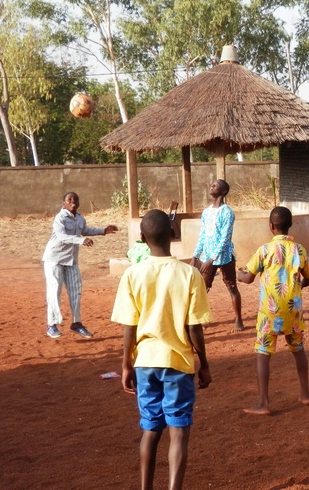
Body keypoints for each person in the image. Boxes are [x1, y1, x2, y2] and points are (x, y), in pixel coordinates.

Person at [111, 209, 212, 489]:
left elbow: (129, 326)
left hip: (144, 361)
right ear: (173, 234)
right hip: (178, 362)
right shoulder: (190, 275)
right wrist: (203, 363)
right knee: (179, 433)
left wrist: (125, 364)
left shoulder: (132, 275)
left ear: (142, 238)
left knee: (150, 430)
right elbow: (194, 328)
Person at [237, 206, 309, 416]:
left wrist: (239, 274)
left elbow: (248, 277)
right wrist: (296, 287)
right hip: (293, 310)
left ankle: (264, 402)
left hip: (270, 311)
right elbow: (308, 277)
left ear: (271, 227)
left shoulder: (263, 250)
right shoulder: (300, 250)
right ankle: (305, 394)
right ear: (290, 226)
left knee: (263, 353)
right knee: (298, 349)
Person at [42, 191, 118, 339]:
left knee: (76, 291)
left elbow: (85, 230)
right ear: (63, 203)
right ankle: (52, 325)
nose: (73, 202)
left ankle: (76, 323)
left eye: (75, 199)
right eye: (69, 200)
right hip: (54, 259)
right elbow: (62, 237)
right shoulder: (60, 218)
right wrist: (81, 240)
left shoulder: (80, 218)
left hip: (71, 260)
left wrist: (103, 231)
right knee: (54, 290)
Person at [191, 179, 244, 333]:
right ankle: (199, 319)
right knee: (203, 289)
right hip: (207, 255)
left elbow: (225, 238)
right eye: (211, 184)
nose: (211, 186)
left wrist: (212, 259)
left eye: (215, 185)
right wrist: (196, 255)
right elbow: (203, 234)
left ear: (223, 191)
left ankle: (238, 319)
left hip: (225, 256)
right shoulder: (206, 212)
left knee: (232, 287)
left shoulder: (227, 212)